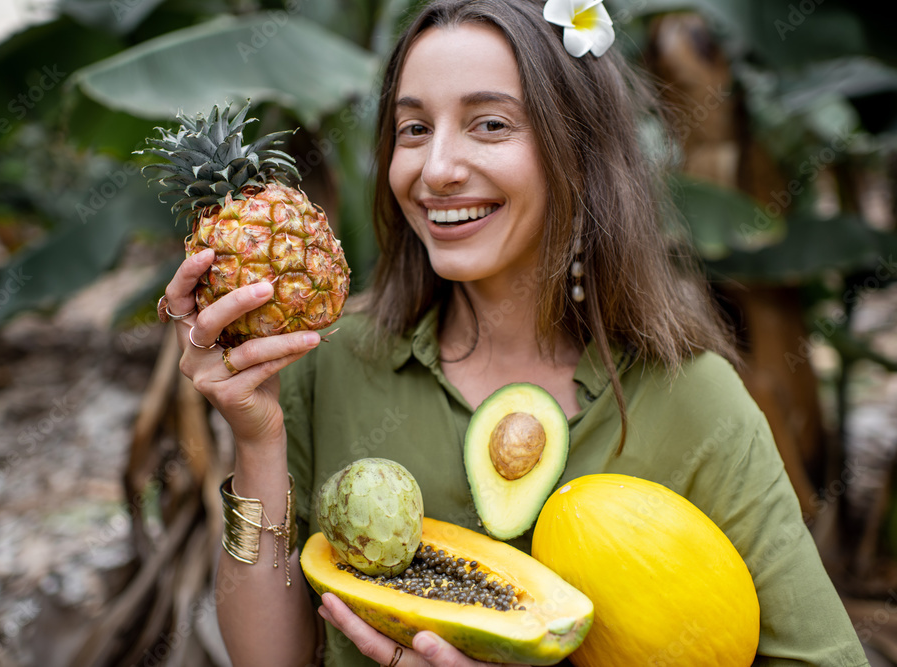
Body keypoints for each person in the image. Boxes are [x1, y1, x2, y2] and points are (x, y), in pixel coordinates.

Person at [163, 0, 870, 665]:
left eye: (490, 124)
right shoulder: (330, 366)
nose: (436, 169)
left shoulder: (695, 399)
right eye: (413, 128)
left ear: (582, 151)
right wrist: (256, 438)